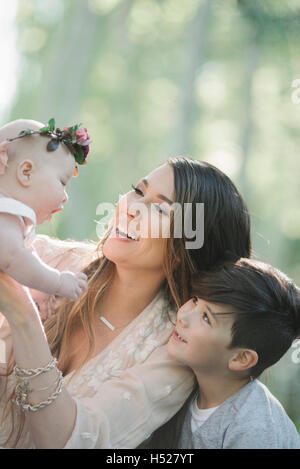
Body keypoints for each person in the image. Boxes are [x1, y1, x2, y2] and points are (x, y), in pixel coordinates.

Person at [0, 155, 251, 449]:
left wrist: (24, 317)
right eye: (138, 191)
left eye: (159, 208)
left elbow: (76, 442)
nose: (132, 208)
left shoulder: (173, 353)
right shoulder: (49, 262)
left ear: (188, 248)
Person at [145, 258, 300, 449]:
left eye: (205, 317)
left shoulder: (256, 428)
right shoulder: (184, 387)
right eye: (195, 300)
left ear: (241, 358)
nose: (183, 315)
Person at [0, 118, 89, 301]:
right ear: (26, 173)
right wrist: (57, 282)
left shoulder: (11, 223)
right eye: (62, 182)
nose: (65, 196)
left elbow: (23, 260)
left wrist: (38, 290)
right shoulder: (5, 215)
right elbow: (14, 258)